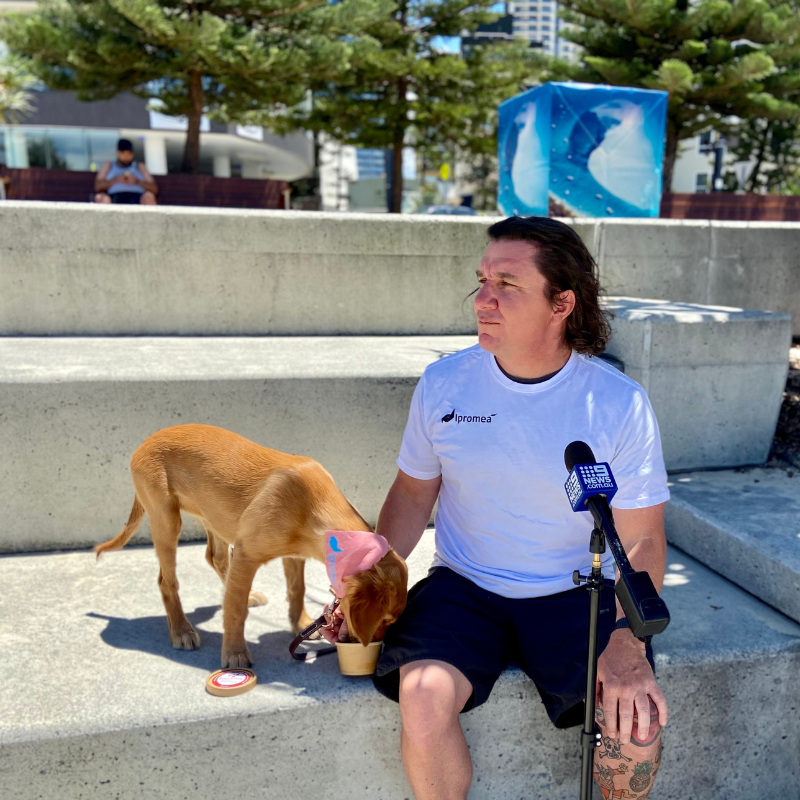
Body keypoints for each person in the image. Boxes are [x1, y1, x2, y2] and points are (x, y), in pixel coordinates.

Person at [323, 215, 670, 799]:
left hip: (576, 591)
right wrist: (371, 574)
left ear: (562, 302)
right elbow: (412, 492)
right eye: (482, 282)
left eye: (507, 285)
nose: (483, 300)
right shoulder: (444, 384)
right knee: (424, 693)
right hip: (466, 585)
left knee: (635, 725)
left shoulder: (617, 404)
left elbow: (643, 540)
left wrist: (625, 641)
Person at [94, 138, 158, 205]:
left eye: (129, 154)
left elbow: (154, 188)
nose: (126, 157)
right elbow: (98, 186)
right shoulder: (108, 165)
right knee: (101, 198)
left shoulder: (139, 166)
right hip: (114, 198)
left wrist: (136, 181)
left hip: (137, 198)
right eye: (123, 153)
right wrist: (117, 180)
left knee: (148, 197)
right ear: (117, 152)